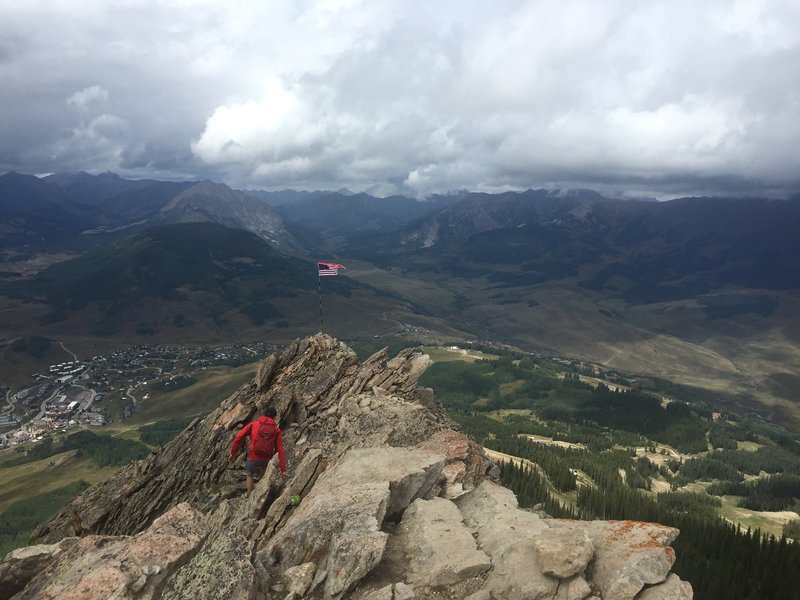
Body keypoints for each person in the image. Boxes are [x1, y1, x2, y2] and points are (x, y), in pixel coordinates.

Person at [228, 406, 287, 495]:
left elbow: (238, 437)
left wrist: (233, 453)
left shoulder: (254, 424)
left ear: (264, 415)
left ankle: (250, 496)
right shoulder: (276, 430)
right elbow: (280, 450)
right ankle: (262, 494)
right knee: (263, 476)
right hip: (266, 459)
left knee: (249, 474)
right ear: (275, 417)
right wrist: (283, 470)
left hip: (253, 457)